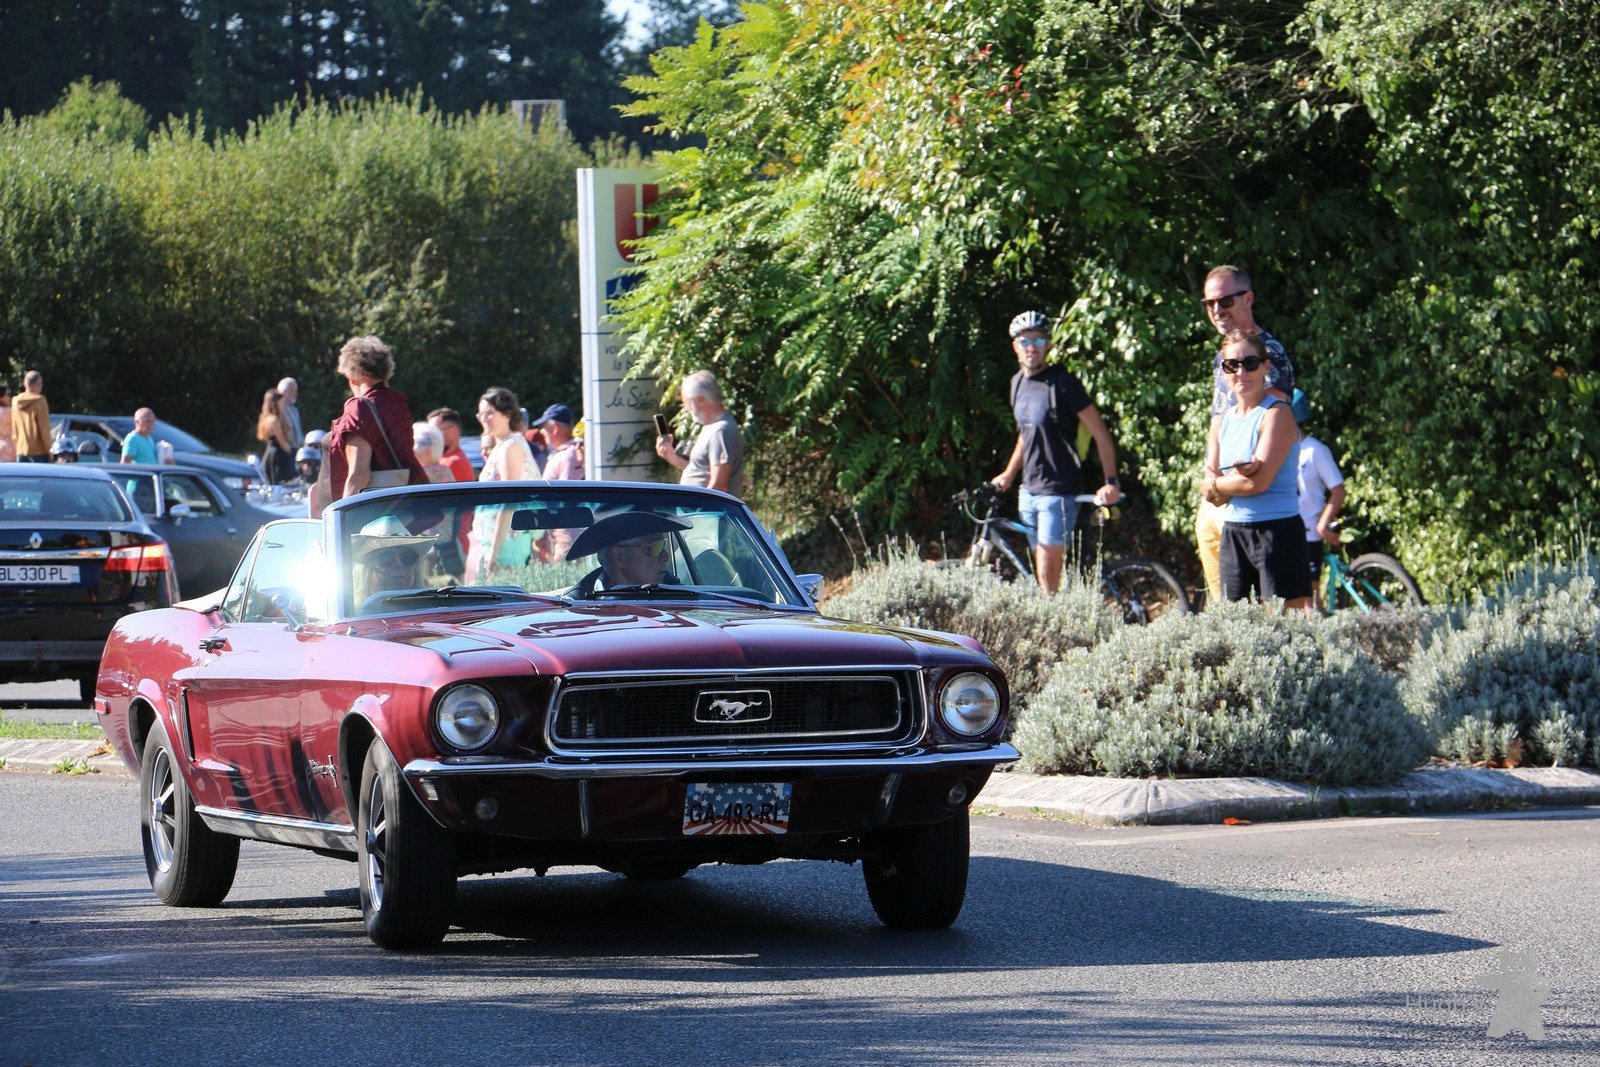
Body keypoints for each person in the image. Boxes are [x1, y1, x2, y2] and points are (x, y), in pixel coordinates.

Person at [989, 311, 1123, 595]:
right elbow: (1026, 434)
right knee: (1045, 577)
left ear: (1048, 345)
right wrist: (1009, 474)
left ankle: (1056, 620)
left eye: (1039, 341)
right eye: (1025, 341)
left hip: (1058, 492)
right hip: (1028, 492)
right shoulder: (1017, 383)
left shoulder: (1063, 383)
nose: (1032, 347)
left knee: (1047, 581)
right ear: (1015, 346)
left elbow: (1100, 433)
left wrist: (1111, 481)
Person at [1197, 265, 1295, 606]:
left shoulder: (1269, 353)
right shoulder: (1223, 356)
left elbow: (1271, 421)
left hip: (1257, 505)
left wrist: (1222, 482)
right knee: (1229, 611)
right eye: (1209, 303)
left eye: (1225, 301)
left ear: (1248, 299)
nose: (1217, 310)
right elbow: (1218, 420)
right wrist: (1210, 475)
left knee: (1271, 613)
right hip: (1221, 493)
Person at [1201, 331, 1311, 610]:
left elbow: (1256, 485)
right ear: (1223, 372)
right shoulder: (1221, 422)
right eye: (1231, 365)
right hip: (1233, 533)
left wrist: (1220, 483)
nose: (1241, 372)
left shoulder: (1278, 413)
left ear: (1266, 367)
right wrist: (1231, 481)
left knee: (1286, 628)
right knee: (1236, 626)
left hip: (1278, 532)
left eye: (1250, 363)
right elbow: (1207, 492)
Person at [322, 336, 428, 510]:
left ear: (352, 377)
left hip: (373, 509)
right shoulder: (397, 404)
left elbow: (360, 474)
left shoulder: (359, 407)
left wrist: (342, 515)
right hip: (403, 504)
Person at [464, 386, 536, 578]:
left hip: (506, 543)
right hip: (499, 540)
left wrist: (494, 552)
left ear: (507, 414)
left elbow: (509, 499)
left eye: (489, 413)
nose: (484, 419)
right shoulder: (503, 445)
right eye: (480, 414)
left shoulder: (510, 447)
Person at [1291, 389, 1346, 601]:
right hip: (1287, 532)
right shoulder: (1280, 450)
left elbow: (1338, 490)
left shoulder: (1315, 450)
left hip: (1309, 533)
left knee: (1309, 600)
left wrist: (1323, 523)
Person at [654, 370, 745, 496]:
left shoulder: (720, 431)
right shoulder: (711, 427)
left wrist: (699, 506)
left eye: (687, 403)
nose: (686, 408)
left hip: (707, 508)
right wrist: (672, 457)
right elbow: (701, 470)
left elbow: (719, 486)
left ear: (700, 400)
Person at [565, 511, 690, 595]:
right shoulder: (576, 608)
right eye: (656, 547)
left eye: (663, 545)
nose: (666, 556)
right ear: (619, 556)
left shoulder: (684, 597)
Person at [351, 515, 436, 609]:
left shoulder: (431, 611)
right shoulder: (352, 615)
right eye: (386, 558)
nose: (398, 564)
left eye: (407, 557)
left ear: (416, 568)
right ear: (365, 571)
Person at [427, 408, 475, 483]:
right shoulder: (444, 459)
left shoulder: (454, 463)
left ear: (453, 431)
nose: (430, 437)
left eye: (434, 431)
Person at [256, 389, 293, 484]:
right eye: (281, 402)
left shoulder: (266, 418)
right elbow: (282, 442)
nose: (283, 404)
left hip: (270, 453)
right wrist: (292, 452)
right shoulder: (274, 420)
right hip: (278, 456)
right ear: (275, 403)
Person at [13, 370, 51, 463]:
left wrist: (19, 447)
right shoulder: (40, 401)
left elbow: (15, 430)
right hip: (39, 452)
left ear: (25, 384)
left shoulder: (15, 401)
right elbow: (44, 430)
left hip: (21, 450)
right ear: (38, 384)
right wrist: (49, 450)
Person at [277, 377, 303, 448]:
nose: (296, 394)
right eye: (294, 391)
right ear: (285, 391)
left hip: (297, 448)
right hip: (286, 448)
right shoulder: (277, 410)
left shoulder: (295, 410)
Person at [0, 383, 14, 463]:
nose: (10, 397)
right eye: (8, 394)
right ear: (1, 397)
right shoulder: (11, 412)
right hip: (10, 450)